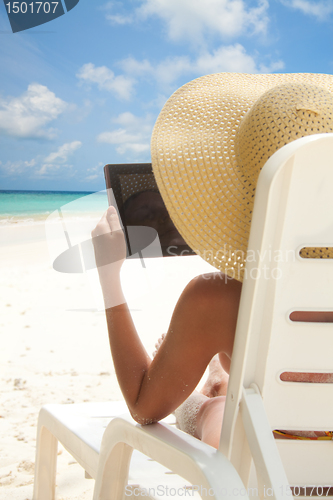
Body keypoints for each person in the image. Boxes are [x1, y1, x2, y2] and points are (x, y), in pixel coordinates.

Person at [92, 73, 333, 449]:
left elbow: (144, 407)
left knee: (217, 409)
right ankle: (225, 373)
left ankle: (206, 395)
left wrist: (109, 277)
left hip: (269, 472)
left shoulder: (215, 301)